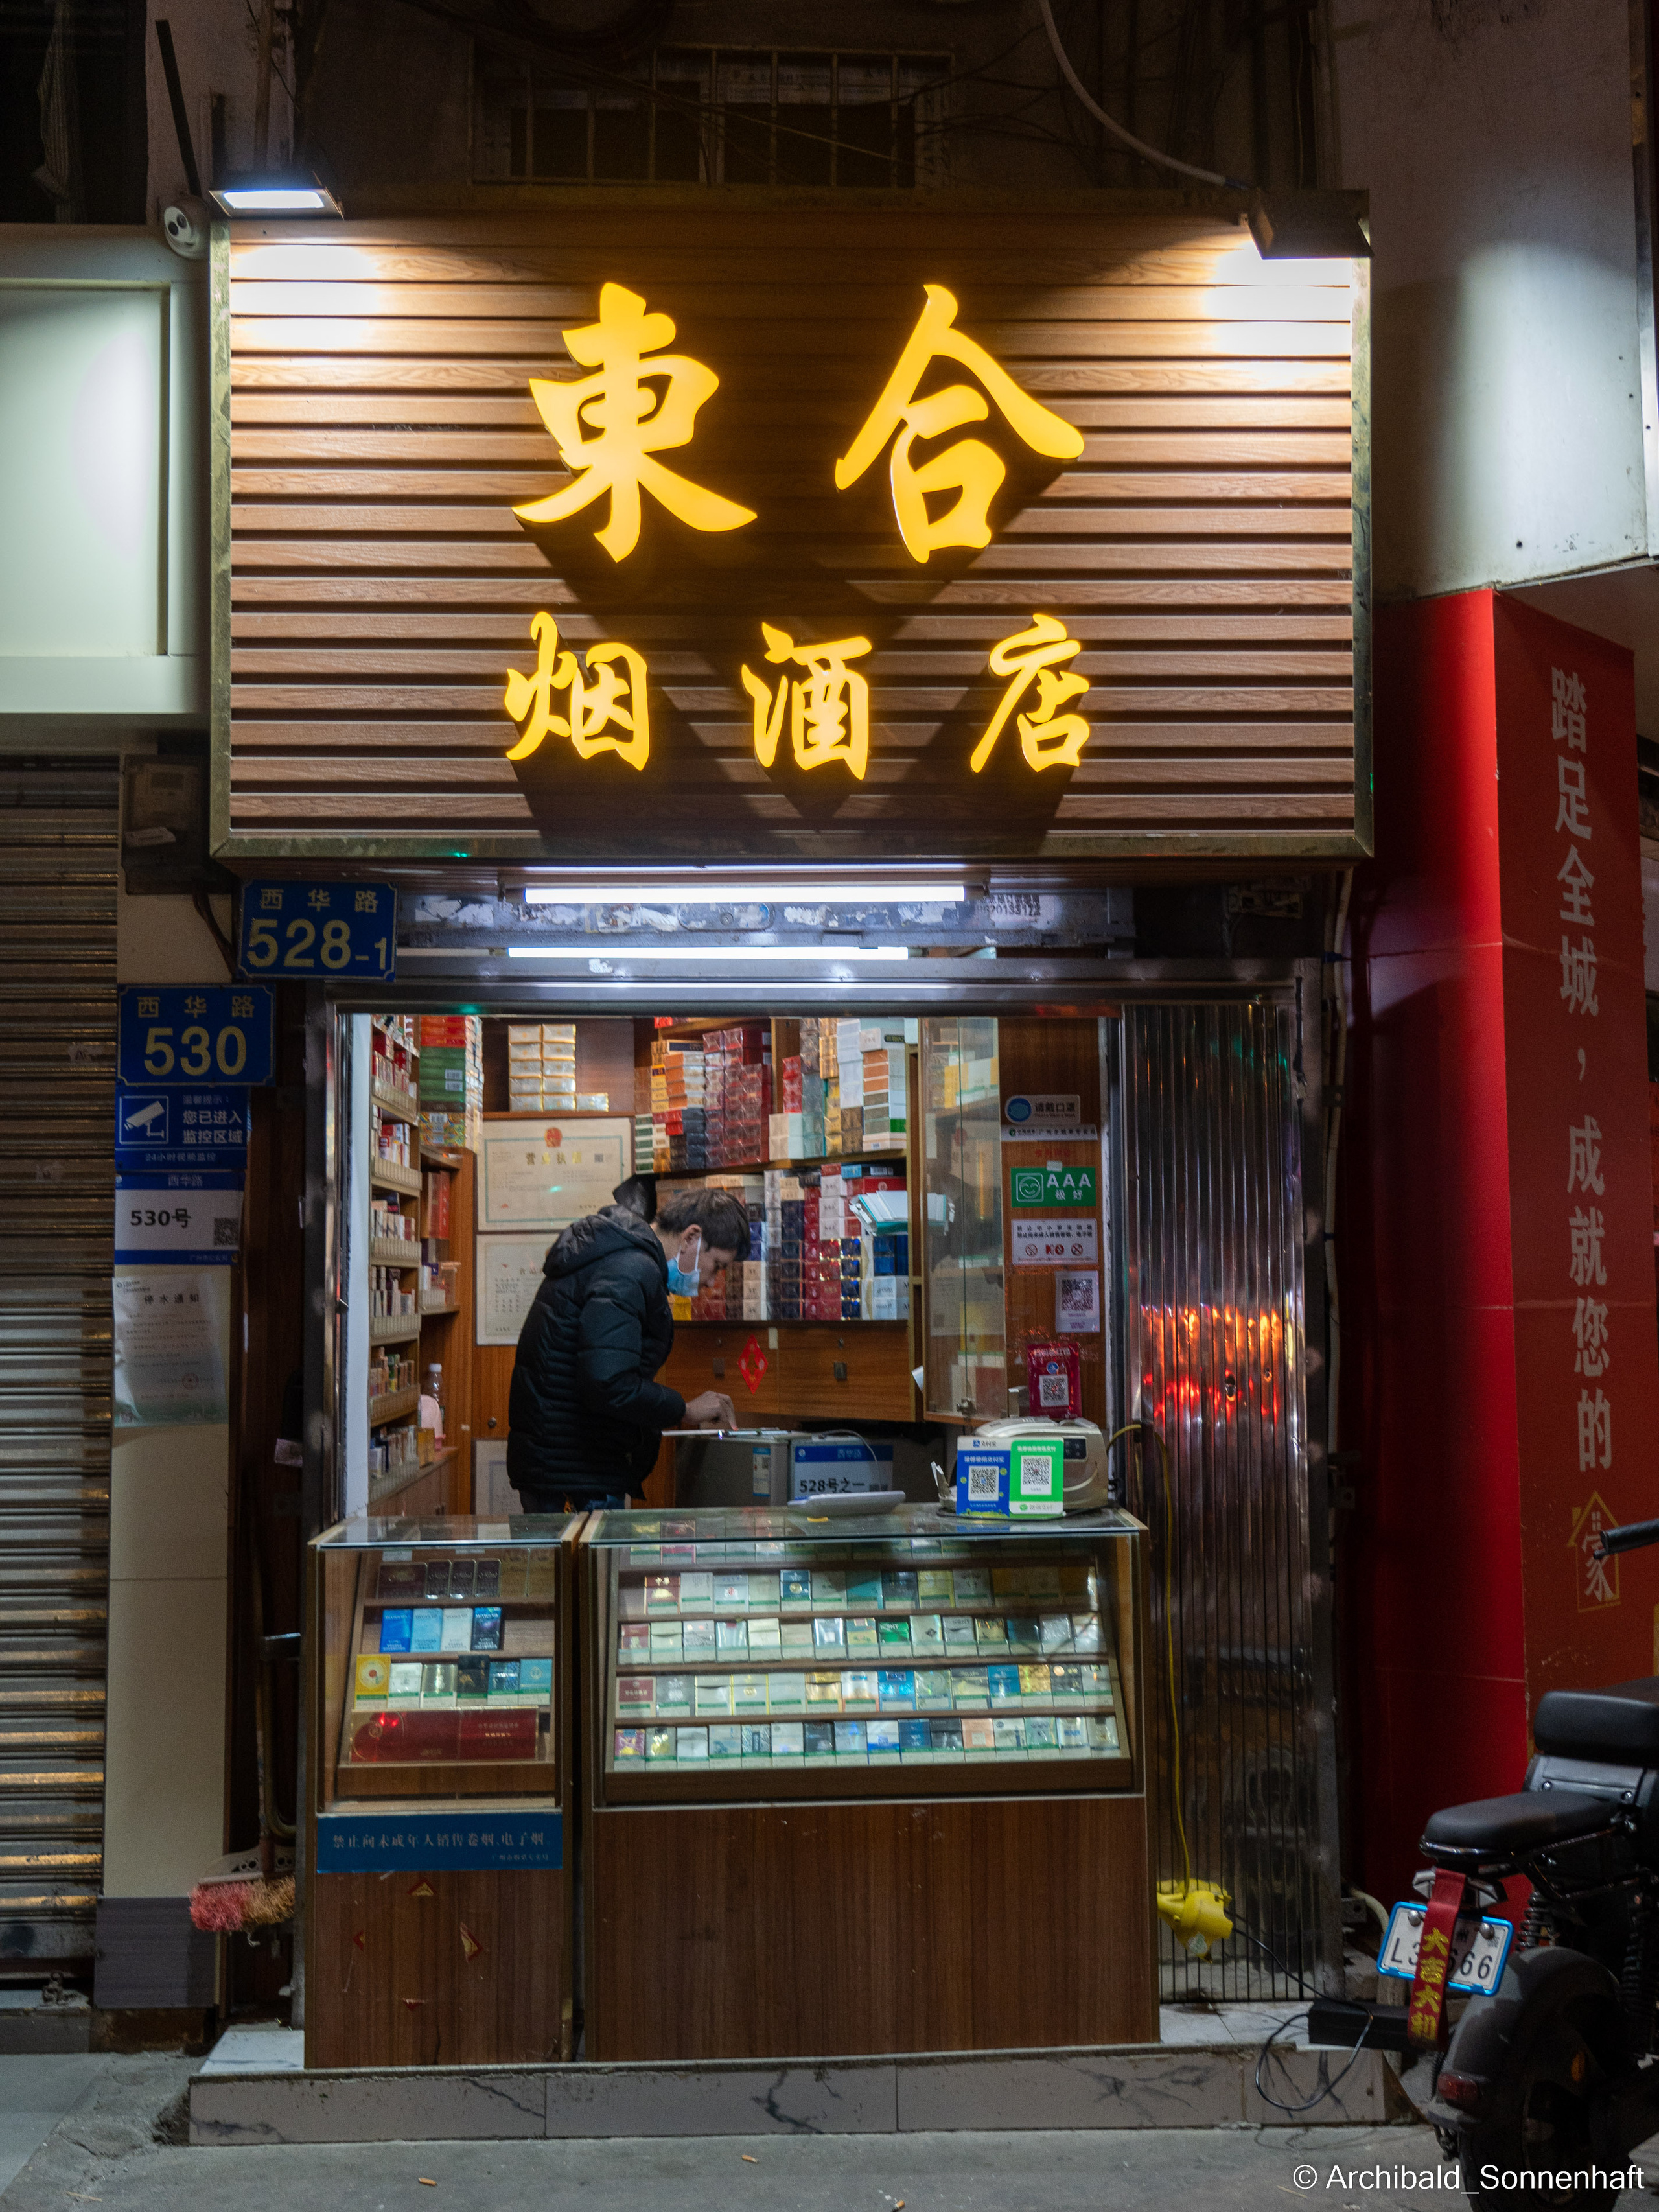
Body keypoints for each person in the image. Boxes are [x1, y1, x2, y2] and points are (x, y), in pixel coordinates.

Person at [507, 1183, 748, 1513]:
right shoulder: (630, 1269)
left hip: (562, 1462)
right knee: (585, 1565)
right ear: (691, 1237)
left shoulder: (618, 1257)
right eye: (717, 1265)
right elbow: (608, 1383)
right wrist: (685, 1410)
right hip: (578, 1473)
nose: (711, 1281)